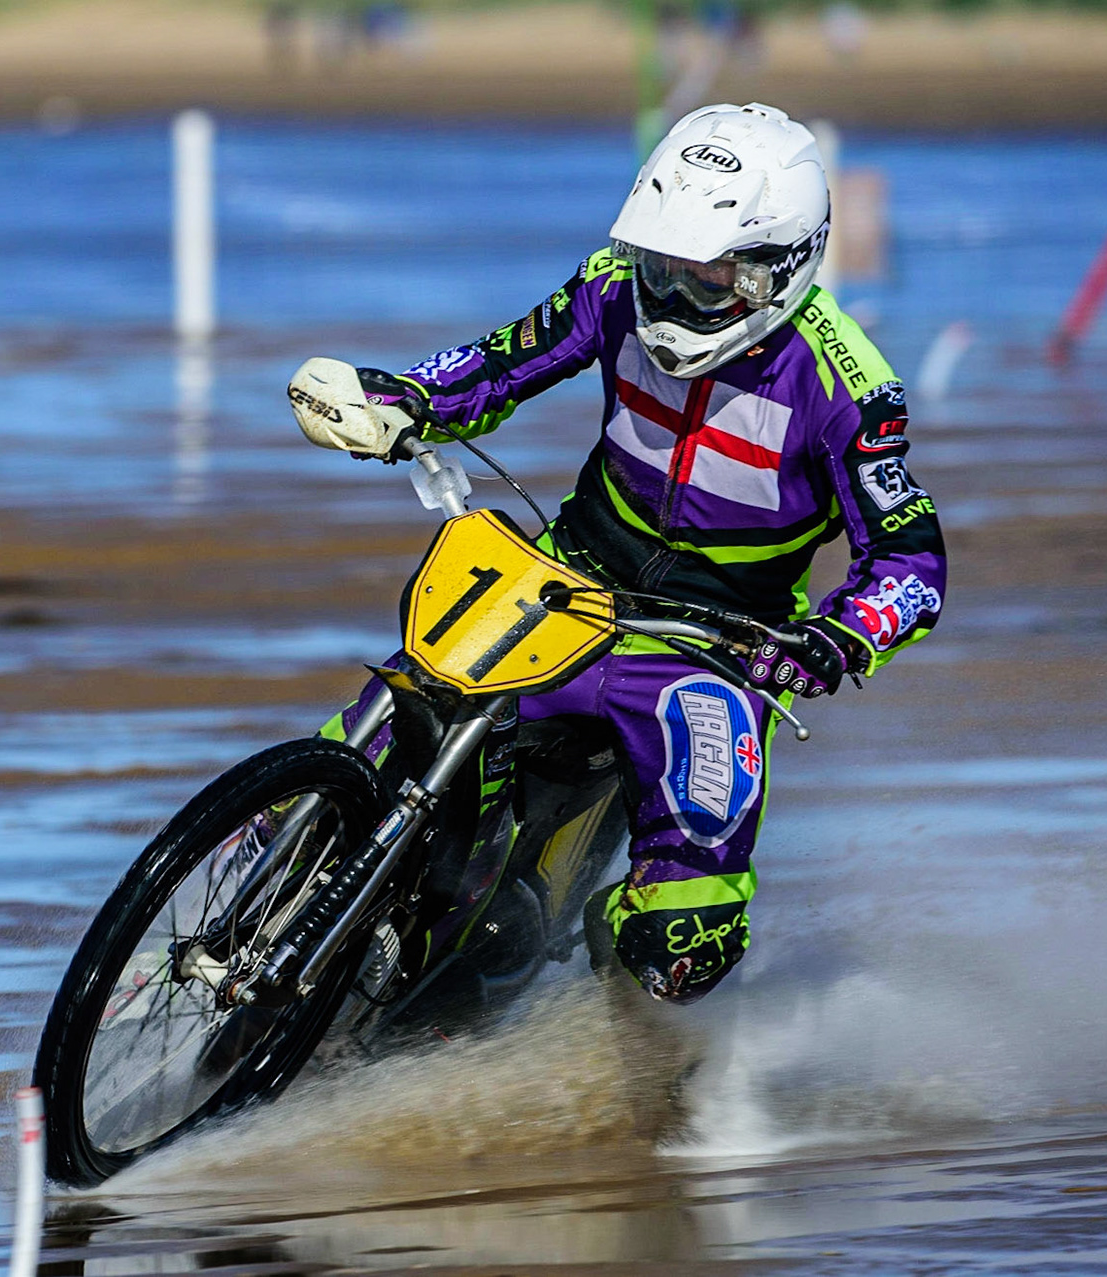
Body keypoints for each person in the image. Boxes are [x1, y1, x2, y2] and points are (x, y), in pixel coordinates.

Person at [295, 103, 947, 1004]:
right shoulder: (613, 283)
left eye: (707, 277)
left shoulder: (847, 386)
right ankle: (274, 856)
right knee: (394, 707)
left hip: (711, 649)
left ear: (776, 272)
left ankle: (620, 1024)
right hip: (565, 580)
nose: (671, 297)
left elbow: (911, 566)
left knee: (687, 933)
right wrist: (405, 398)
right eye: (660, 264)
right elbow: (499, 363)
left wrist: (833, 640)